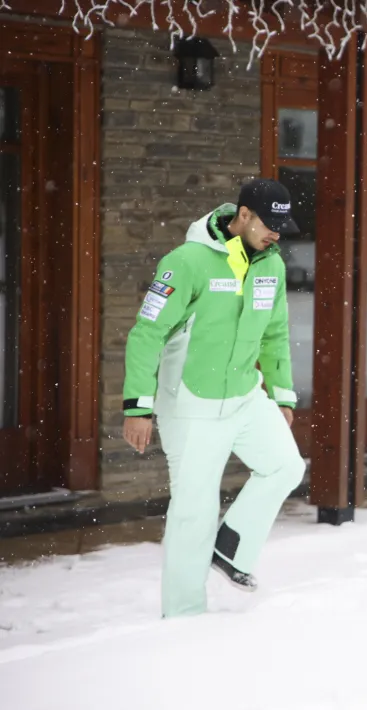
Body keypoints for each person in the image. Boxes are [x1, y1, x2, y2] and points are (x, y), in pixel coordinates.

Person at [121, 178, 306, 619]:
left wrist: (282, 396)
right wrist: (138, 406)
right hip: (191, 406)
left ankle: (230, 550)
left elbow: (275, 334)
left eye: (282, 226)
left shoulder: (270, 266)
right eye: (269, 224)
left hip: (245, 396)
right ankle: (184, 616)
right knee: (194, 510)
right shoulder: (186, 263)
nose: (276, 234)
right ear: (244, 216)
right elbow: (146, 333)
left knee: (286, 467)